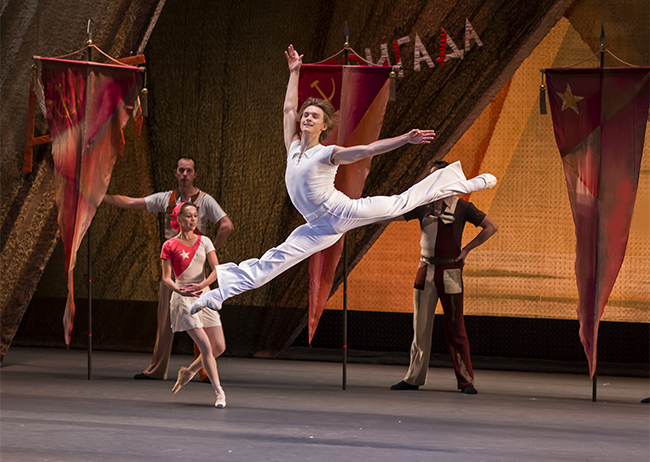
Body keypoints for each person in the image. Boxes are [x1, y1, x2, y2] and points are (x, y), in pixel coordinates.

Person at [190, 44, 496, 314]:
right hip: (319, 227)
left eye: (314, 116)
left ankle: (468, 183)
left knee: (399, 203)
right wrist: (295, 71)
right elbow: (287, 108)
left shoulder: (328, 153)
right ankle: (220, 294)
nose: (307, 117)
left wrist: (406, 138)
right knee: (275, 259)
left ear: (324, 127)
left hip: (341, 212)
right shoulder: (293, 147)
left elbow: (368, 149)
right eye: (306, 115)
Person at [103, 157, 233, 380]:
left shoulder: (205, 200)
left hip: (196, 269)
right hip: (174, 266)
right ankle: (158, 370)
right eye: (181, 170)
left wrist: (208, 250)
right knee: (165, 319)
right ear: (175, 173)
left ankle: (203, 371)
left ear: (194, 174)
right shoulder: (167, 199)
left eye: (188, 170)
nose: (184, 174)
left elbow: (226, 225)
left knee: (203, 320)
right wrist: (102, 197)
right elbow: (134, 202)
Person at [390, 160, 498, 394]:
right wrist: (355, 216)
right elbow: (391, 214)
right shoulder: (422, 206)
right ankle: (413, 378)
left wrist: (467, 249)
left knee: (456, 327)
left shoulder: (462, 207)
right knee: (420, 327)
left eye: (436, 177)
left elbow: (490, 227)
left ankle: (466, 381)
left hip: (450, 271)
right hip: (425, 269)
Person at [161, 202, 227, 408]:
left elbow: (217, 269)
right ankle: (219, 392)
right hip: (182, 300)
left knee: (219, 346)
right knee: (206, 346)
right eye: (188, 216)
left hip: (204, 295)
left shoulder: (205, 241)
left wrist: (203, 285)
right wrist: (179, 290)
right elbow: (166, 278)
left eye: (195, 216)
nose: (192, 220)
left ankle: (189, 371)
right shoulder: (169, 245)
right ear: (178, 219)